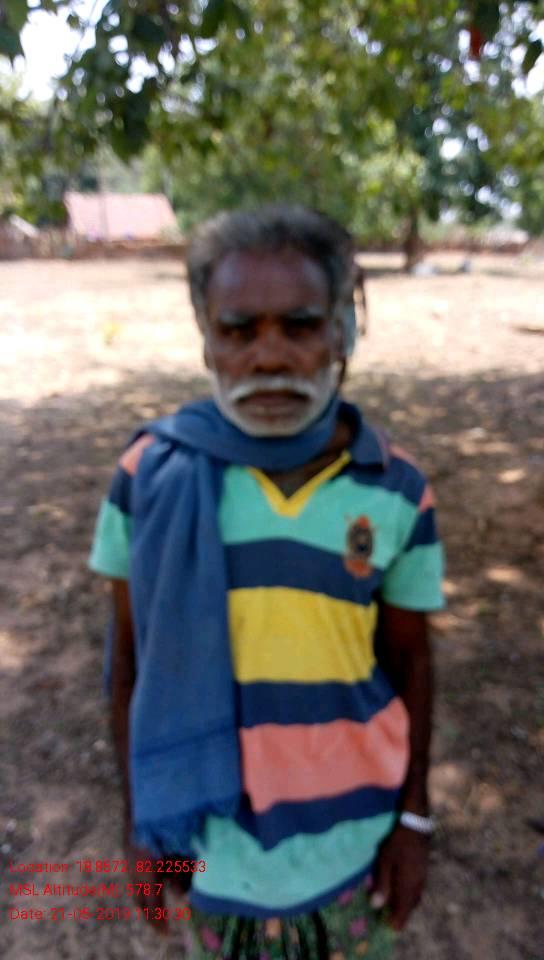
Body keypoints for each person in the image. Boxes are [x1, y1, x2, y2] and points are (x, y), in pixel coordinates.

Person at [88, 205, 445, 960]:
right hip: (211, 853)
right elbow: (130, 665)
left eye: (301, 326)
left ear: (342, 332)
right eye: (239, 330)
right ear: (206, 339)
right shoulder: (147, 478)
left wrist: (413, 819)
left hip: (351, 850)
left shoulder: (395, 489)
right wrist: (143, 824)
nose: (270, 357)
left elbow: (411, 661)